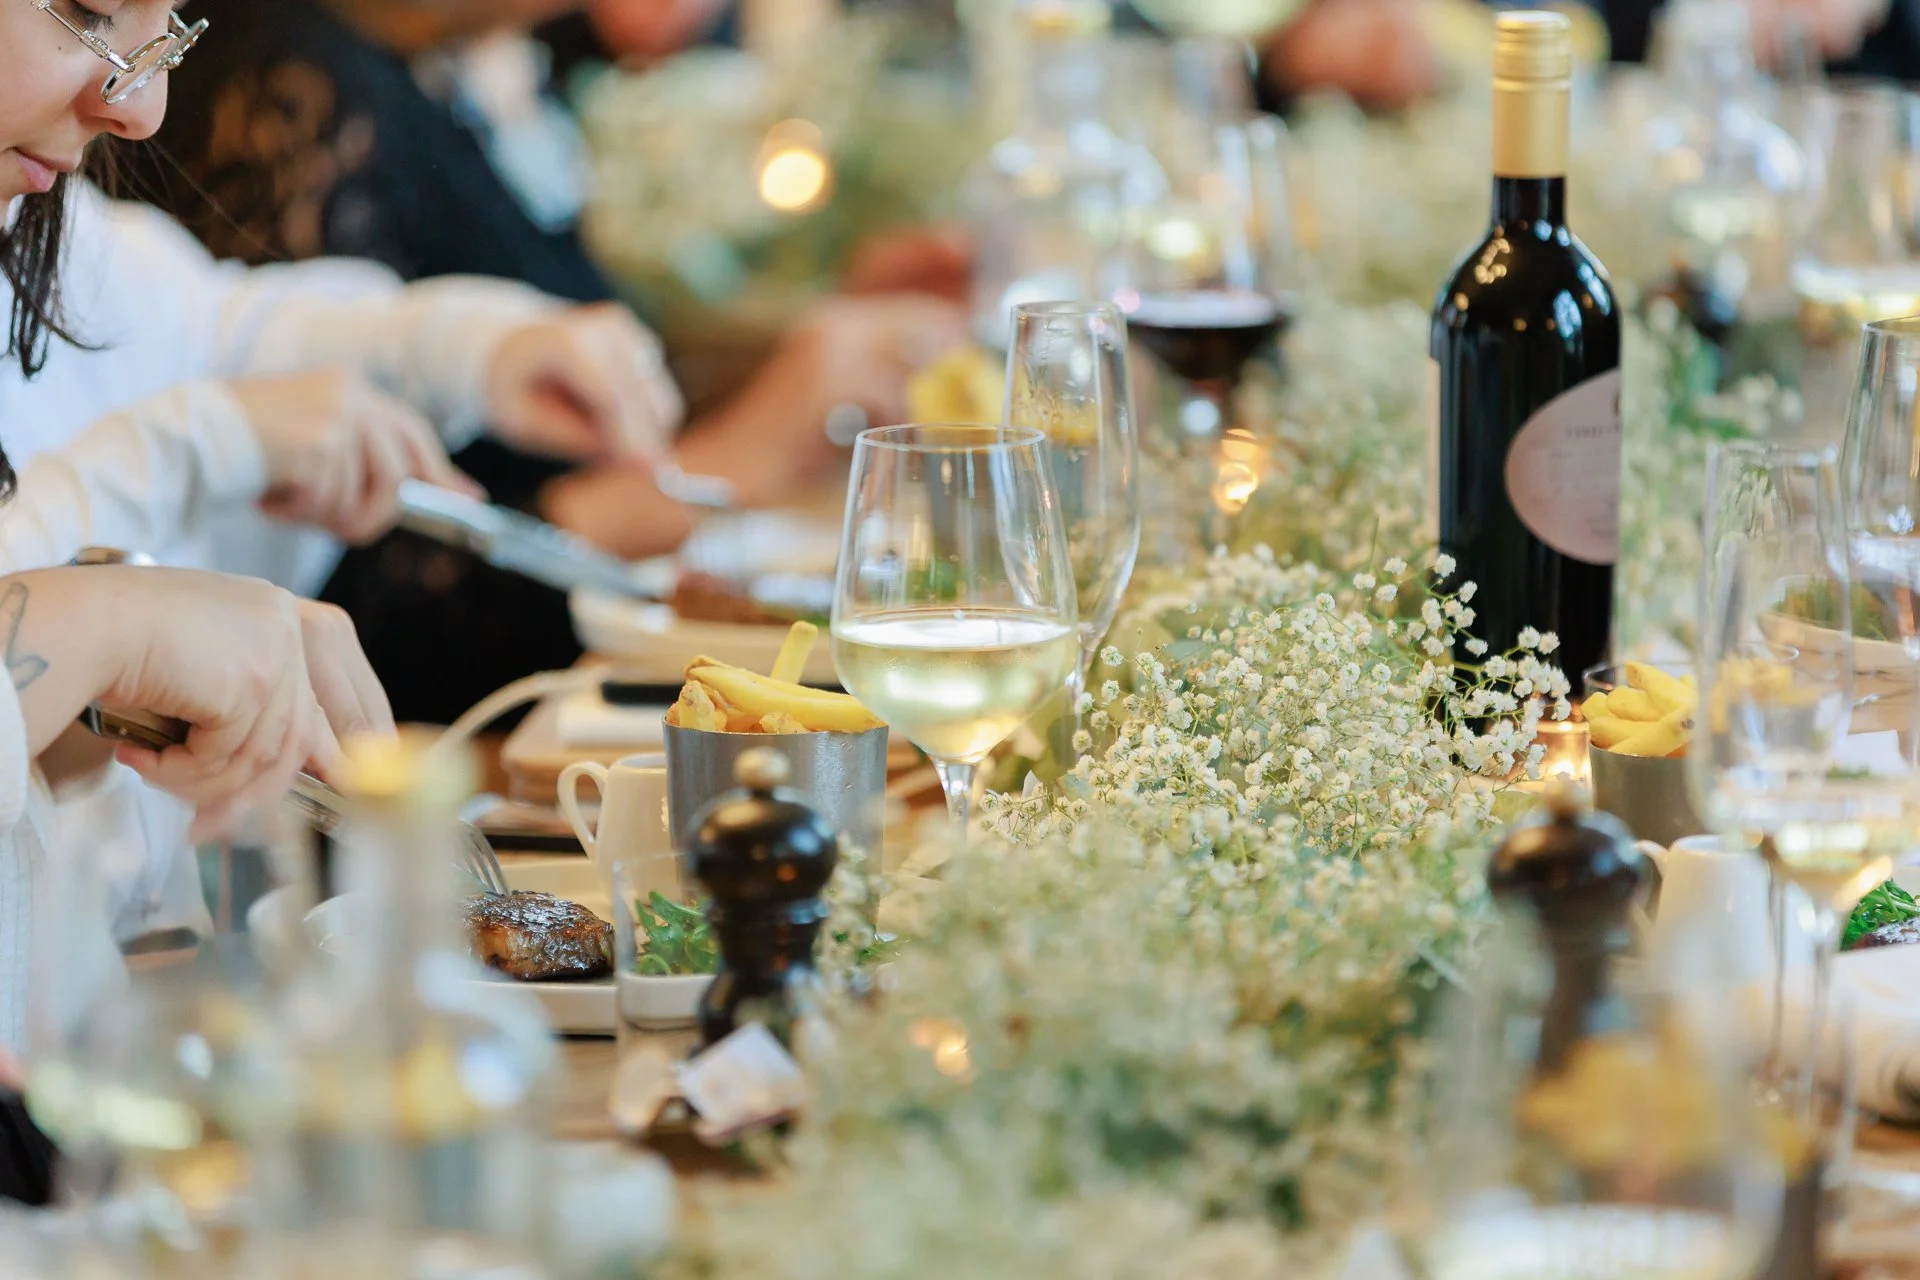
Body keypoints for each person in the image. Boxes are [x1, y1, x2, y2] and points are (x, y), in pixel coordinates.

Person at [142, 0, 969, 724]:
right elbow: (375, 597)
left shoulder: (458, 67)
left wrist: (812, 331)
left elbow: (576, 400)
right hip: (450, 760)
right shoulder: (283, 84)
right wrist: (732, 461)